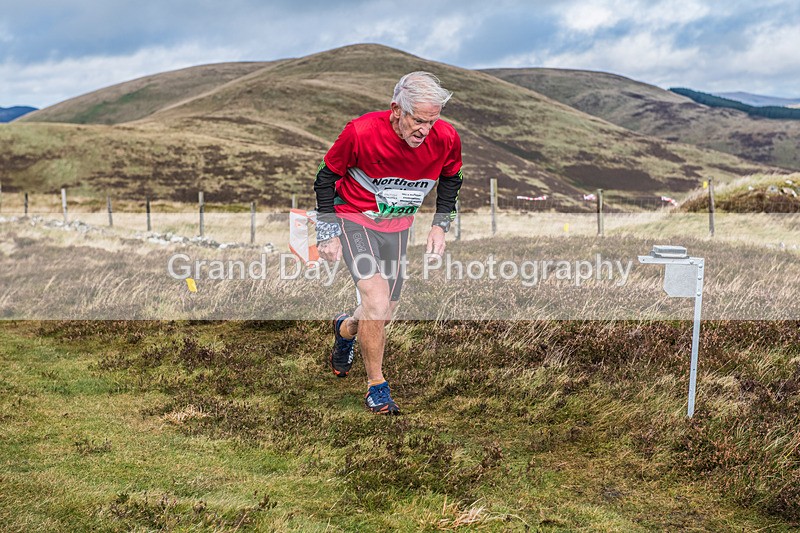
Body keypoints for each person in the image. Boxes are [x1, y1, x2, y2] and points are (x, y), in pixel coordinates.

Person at [313, 71, 463, 415]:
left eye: (433, 120)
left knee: (383, 312)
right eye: (418, 120)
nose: (425, 130)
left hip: (398, 228)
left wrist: (440, 225)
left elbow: (452, 179)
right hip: (353, 219)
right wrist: (327, 231)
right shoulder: (361, 132)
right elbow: (325, 177)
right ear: (396, 109)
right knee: (376, 300)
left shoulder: (446, 138)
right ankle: (376, 387)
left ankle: (345, 329)